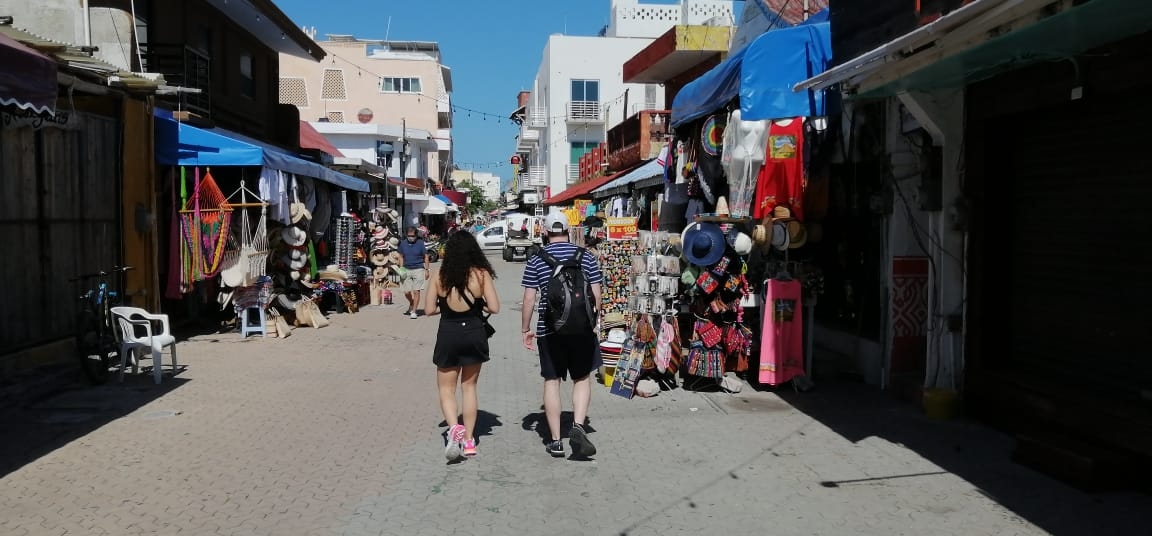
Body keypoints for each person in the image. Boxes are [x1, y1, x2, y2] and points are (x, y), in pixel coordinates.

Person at [521, 212, 603, 459]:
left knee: (552, 381)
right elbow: (597, 295)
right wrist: (595, 323)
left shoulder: (536, 260)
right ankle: (577, 425)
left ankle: (556, 441)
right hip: (582, 330)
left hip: (549, 330)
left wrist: (525, 329)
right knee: (581, 379)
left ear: (545, 232)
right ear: (569, 230)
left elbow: (528, 299)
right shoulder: (586, 256)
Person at [425, 231, 499, 461]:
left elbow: (428, 310)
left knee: (446, 389)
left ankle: (453, 427)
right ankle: (469, 441)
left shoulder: (439, 275)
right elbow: (495, 308)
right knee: (469, 388)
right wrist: (479, 306)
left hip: (448, 332)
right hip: (474, 333)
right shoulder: (481, 274)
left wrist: (444, 307)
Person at [397, 226, 430, 319]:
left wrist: (427, 270)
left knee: (416, 291)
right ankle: (411, 302)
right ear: (406, 235)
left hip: (418, 269)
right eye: (409, 235)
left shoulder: (420, 243)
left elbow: (426, 256)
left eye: (413, 236)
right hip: (406, 269)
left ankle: (414, 311)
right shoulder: (403, 244)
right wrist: (401, 268)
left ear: (416, 235)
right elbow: (401, 256)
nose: (411, 237)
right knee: (406, 291)